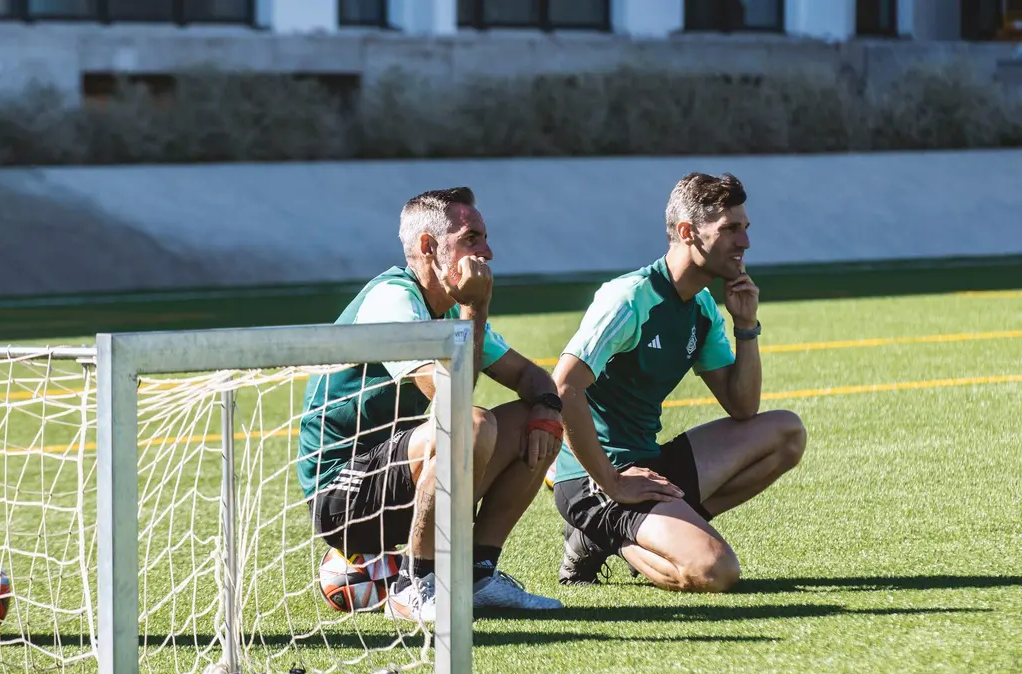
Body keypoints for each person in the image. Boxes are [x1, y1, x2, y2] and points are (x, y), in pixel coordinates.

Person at [297, 186, 565, 621]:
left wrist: (549, 410)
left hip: (398, 473)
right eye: (472, 238)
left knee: (527, 422)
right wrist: (476, 308)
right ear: (428, 246)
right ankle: (415, 585)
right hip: (341, 496)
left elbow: (531, 377)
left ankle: (476, 575)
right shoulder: (393, 301)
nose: (488, 252)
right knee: (472, 425)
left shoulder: (443, 309)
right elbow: (453, 400)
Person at [550, 172, 807, 591]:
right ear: (688, 233)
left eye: (745, 229)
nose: (745, 243)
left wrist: (746, 325)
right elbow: (563, 387)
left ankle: (630, 531)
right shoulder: (629, 298)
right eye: (729, 230)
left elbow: (743, 408)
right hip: (593, 476)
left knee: (786, 433)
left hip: (648, 464)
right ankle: (605, 532)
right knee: (715, 571)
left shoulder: (702, 306)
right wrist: (613, 481)